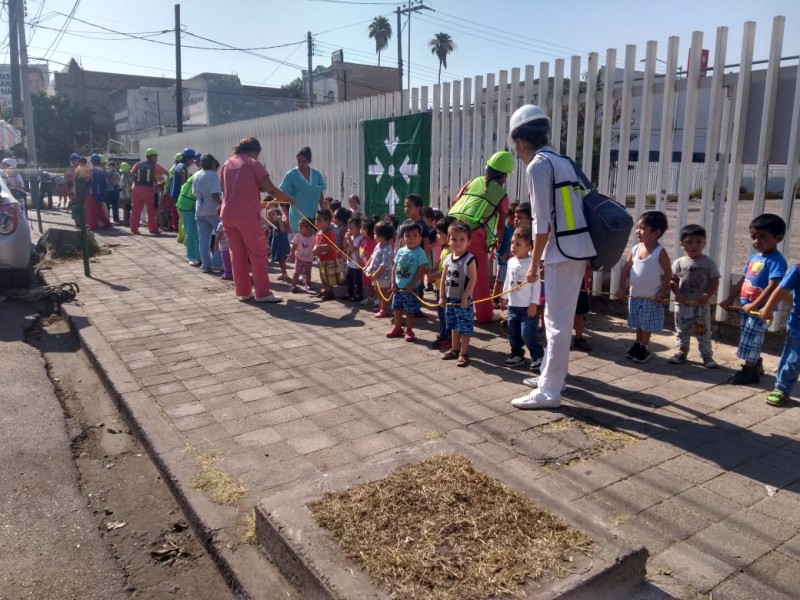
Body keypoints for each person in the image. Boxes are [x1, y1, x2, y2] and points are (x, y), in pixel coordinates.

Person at [507, 105, 596, 410]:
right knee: (556, 319)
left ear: (520, 140)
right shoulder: (561, 161)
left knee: (556, 323)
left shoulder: (538, 166)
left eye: (514, 144)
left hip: (561, 252)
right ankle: (551, 377)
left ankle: (549, 392)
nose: (516, 152)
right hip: (576, 249)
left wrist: (533, 265)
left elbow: (541, 221)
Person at [220, 137, 294, 302]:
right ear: (255, 151)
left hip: (227, 215)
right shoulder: (253, 163)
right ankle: (263, 293)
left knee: (237, 255)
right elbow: (271, 190)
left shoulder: (227, 163)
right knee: (258, 253)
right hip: (247, 216)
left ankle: (243, 291)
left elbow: (225, 188)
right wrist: (288, 199)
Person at [448, 152, 514, 323]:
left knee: (457, 269)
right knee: (479, 273)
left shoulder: (472, 181)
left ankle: (455, 308)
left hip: (454, 229)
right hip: (475, 233)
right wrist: (499, 242)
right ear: (504, 175)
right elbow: (501, 222)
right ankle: (484, 315)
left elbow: (455, 201)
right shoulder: (501, 193)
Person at [723, 213, 787, 384]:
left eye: (762, 237)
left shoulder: (776, 261)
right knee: (747, 336)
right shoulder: (754, 257)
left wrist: (756, 304)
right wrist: (730, 298)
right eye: (753, 237)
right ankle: (755, 365)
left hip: (760, 310)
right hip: (747, 306)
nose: (756, 241)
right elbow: (745, 279)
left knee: (752, 339)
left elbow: (773, 286)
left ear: (778, 238)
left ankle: (750, 372)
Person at [617, 211, 671, 364]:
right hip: (635, 295)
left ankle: (644, 347)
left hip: (651, 297)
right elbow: (626, 269)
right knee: (638, 322)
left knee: (646, 324)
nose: (637, 231)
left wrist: (662, 291)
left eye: (642, 228)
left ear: (656, 232)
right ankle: (638, 343)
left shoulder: (660, 252)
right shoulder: (635, 249)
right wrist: (621, 287)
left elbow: (668, 273)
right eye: (637, 227)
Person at [668, 224, 720, 368]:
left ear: (704, 243)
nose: (694, 245)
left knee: (703, 332)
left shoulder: (708, 263)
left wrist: (707, 295)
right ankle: (681, 353)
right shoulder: (678, 263)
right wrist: (677, 294)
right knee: (681, 330)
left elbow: (715, 281)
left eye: (699, 241)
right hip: (682, 305)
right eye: (689, 242)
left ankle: (707, 356)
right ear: (681, 245)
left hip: (701, 306)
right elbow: (672, 280)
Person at [757, 261, 800, 406]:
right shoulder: (798, 269)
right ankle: (782, 388)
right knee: (793, 358)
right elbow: (782, 289)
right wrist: (768, 308)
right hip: (798, 324)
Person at [502, 225, 544, 371]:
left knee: (528, 334)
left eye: (518, 244)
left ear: (529, 247)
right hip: (513, 306)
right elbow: (508, 280)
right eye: (512, 242)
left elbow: (536, 285)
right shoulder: (511, 261)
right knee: (512, 333)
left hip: (527, 308)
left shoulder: (533, 264)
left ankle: (538, 356)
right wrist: (504, 296)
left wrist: (534, 304)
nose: (513, 246)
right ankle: (517, 354)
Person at [438, 221, 477, 366]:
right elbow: (443, 278)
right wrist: (442, 296)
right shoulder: (448, 259)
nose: (457, 242)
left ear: (468, 241)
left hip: (463, 301)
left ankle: (464, 353)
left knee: (464, 327)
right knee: (453, 325)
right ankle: (454, 349)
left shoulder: (469, 259)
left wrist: (466, 297)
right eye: (454, 239)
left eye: (462, 239)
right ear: (448, 240)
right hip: (450, 299)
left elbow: (473, 279)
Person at [387, 221, 429, 342]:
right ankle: (397, 328)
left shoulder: (420, 252)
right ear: (403, 238)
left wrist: (412, 284)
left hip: (411, 289)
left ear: (420, 238)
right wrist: (392, 282)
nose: (411, 239)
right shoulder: (400, 251)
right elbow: (395, 266)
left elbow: (421, 269)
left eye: (415, 235)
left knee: (410, 311)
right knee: (397, 309)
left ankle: (409, 330)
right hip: (398, 287)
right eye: (408, 236)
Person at [279, 147, 325, 234]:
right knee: (300, 243)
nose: (301, 164)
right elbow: (283, 192)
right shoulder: (291, 175)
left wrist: (323, 210)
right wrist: (288, 199)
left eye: (304, 161)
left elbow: (320, 193)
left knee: (314, 242)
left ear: (309, 161)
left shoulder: (316, 174)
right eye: (299, 161)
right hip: (297, 216)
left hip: (312, 216)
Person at [193, 154, 223, 273]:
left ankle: (205, 265)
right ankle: (217, 262)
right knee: (220, 235)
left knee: (203, 239)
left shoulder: (196, 175)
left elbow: (194, 193)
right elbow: (215, 193)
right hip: (212, 208)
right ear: (212, 164)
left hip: (199, 208)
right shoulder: (213, 175)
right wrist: (221, 206)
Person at [430, 217, 455, 350]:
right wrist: (435, 268)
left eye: (440, 233)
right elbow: (441, 265)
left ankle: (448, 337)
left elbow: (448, 272)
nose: (437, 236)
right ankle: (444, 333)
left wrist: (435, 275)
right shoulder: (445, 249)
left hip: (447, 289)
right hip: (440, 287)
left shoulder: (451, 252)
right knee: (441, 313)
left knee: (446, 314)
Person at [130, 148, 167, 235]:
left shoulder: (138, 164)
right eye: (156, 156)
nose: (157, 158)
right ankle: (153, 229)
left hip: (136, 188)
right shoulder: (155, 166)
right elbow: (167, 173)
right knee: (150, 210)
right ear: (151, 157)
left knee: (135, 209)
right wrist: (160, 181)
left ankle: (134, 229)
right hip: (148, 189)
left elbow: (131, 174)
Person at [365, 221, 395, 318]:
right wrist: (367, 266)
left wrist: (375, 275)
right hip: (376, 274)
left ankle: (384, 309)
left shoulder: (387, 249)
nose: (374, 235)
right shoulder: (378, 245)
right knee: (378, 291)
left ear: (382, 236)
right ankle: (381, 307)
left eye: (375, 233)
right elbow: (372, 257)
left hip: (383, 275)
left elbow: (383, 265)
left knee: (383, 292)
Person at [314, 208, 339, 301]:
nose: (316, 221)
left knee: (329, 277)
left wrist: (320, 247)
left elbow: (331, 245)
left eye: (319, 220)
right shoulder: (318, 233)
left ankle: (330, 292)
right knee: (323, 276)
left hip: (330, 259)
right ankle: (325, 289)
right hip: (321, 259)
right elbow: (316, 243)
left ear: (327, 221)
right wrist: (315, 248)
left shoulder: (329, 233)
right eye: (316, 219)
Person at [289, 218, 315, 293]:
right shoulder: (298, 236)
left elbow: (315, 246)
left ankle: (308, 283)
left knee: (308, 272)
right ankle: (293, 285)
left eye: (301, 227)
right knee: (296, 272)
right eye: (299, 227)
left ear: (309, 228)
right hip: (299, 258)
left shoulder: (313, 238)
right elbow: (294, 245)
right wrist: (291, 254)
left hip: (309, 259)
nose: (299, 228)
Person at [88, 154, 113, 231]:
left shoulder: (92, 171)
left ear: (92, 162)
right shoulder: (104, 171)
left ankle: (92, 226)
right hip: (102, 193)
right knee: (100, 210)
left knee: (90, 210)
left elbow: (89, 181)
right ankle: (107, 223)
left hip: (93, 192)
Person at [266, 207, 291, 282]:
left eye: (273, 214)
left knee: (281, 260)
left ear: (278, 215)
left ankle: (285, 274)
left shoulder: (280, 223)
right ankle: (284, 273)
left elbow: (283, 231)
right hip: (277, 245)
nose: (271, 216)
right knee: (280, 260)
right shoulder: (272, 224)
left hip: (281, 245)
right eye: (269, 215)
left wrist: (280, 222)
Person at [343, 215, 364, 301]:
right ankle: (349, 292)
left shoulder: (359, 238)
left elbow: (352, 249)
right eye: (349, 228)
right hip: (350, 263)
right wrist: (346, 239)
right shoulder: (351, 237)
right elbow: (345, 247)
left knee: (357, 280)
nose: (350, 230)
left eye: (352, 228)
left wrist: (349, 240)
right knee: (349, 279)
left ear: (359, 228)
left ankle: (359, 294)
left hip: (357, 264)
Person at [358, 217, 378, 306]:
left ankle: (378, 298)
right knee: (368, 284)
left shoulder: (372, 243)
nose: (361, 230)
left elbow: (373, 257)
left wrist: (368, 266)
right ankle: (371, 296)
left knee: (374, 284)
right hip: (364, 268)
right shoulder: (362, 240)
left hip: (372, 268)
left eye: (364, 229)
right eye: (361, 228)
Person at [214, 209, 232, 281]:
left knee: (226, 262)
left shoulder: (220, 224)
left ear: (219, 215)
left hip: (224, 247)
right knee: (232, 261)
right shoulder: (231, 223)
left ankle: (228, 274)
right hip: (231, 246)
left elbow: (218, 235)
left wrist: (216, 244)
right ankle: (234, 273)